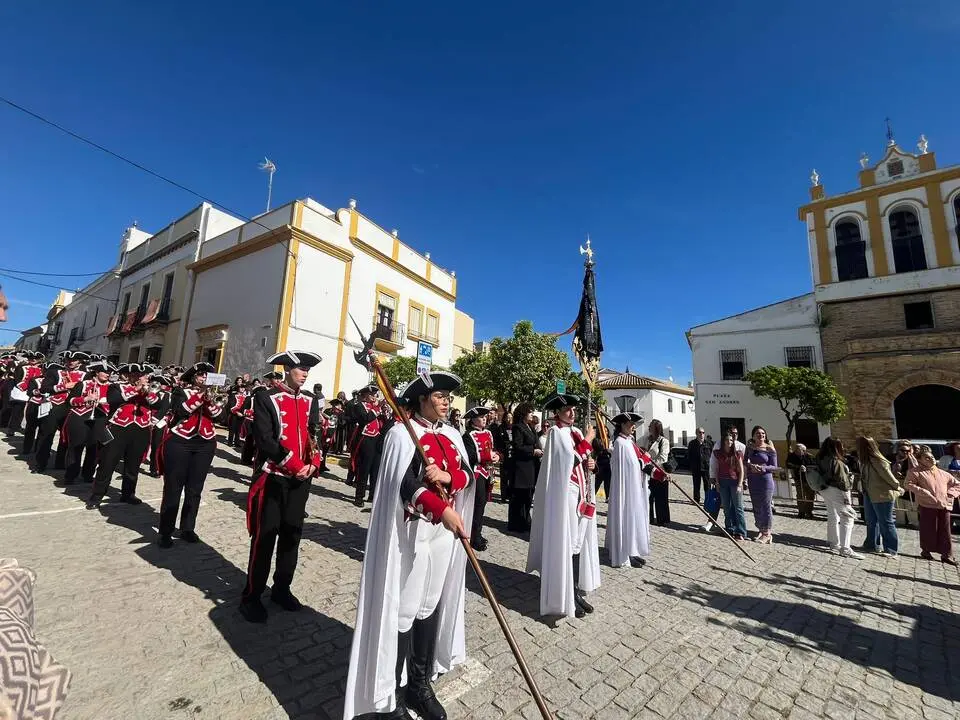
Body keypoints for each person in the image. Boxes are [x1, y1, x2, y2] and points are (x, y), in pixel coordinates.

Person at [343, 370, 473, 720]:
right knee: (404, 607)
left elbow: (468, 473)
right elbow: (404, 484)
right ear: (421, 399)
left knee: (429, 605)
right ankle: (393, 693)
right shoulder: (402, 434)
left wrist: (449, 478)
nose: (446, 402)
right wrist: (440, 508)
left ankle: (419, 683)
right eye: (440, 396)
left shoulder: (452, 434)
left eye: (448, 397)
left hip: (443, 534)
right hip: (411, 531)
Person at [240, 351, 323, 623]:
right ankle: (251, 596)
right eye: (300, 368)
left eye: (308, 369)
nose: (305, 373)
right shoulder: (265, 397)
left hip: (301, 479)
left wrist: (314, 461)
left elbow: (314, 433)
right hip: (274, 476)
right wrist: (294, 464)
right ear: (287, 369)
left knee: (292, 535)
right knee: (265, 537)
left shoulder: (310, 400)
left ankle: (282, 588)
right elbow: (264, 439)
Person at [526, 393, 600, 620]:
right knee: (567, 541)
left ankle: (575, 590)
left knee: (578, 542)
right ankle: (565, 593)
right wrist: (587, 441)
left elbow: (583, 459)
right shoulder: (556, 433)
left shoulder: (576, 432)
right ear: (557, 412)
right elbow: (567, 461)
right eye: (567, 409)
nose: (572, 412)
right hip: (566, 493)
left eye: (574, 409)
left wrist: (592, 464)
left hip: (582, 492)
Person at [156, 362, 226, 547]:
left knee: (195, 489)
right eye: (201, 375)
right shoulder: (181, 392)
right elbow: (180, 411)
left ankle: (188, 528)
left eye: (207, 375)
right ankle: (165, 531)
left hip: (205, 443)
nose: (204, 378)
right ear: (194, 377)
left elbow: (220, 417)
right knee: (173, 488)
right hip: (180, 441)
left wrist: (210, 400)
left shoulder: (212, 395)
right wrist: (200, 396)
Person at [87, 364, 159, 509]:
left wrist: (149, 393)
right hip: (119, 429)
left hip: (141, 429)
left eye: (145, 375)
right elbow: (113, 400)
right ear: (132, 377)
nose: (145, 378)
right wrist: (136, 390)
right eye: (142, 375)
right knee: (108, 462)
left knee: (133, 464)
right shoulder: (116, 387)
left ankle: (128, 493)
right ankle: (97, 495)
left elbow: (158, 405)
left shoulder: (149, 390)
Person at [607, 412, 667, 568]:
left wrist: (659, 474)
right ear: (622, 425)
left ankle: (632, 550)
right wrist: (643, 460)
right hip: (626, 490)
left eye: (634, 424)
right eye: (629, 424)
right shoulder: (620, 443)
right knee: (627, 519)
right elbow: (625, 468)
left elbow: (637, 464)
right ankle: (625, 552)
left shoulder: (630, 442)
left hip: (635, 488)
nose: (633, 427)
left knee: (633, 520)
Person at [34, 351, 88, 473]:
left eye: (74, 360)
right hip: (55, 406)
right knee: (46, 435)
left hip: (72, 408)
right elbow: (44, 388)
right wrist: (64, 387)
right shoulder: (55, 372)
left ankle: (60, 462)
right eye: (68, 359)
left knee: (66, 437)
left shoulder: (85, 375)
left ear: (79, 361)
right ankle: (40, 463)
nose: (70, 362)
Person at [905, 446, 960, 565]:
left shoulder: (943, 473)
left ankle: (947, 554)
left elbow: (957, 485)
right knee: (928, 529)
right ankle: (926, 550)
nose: (931, 459)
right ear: (920, 460)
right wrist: (922, 492)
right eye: (927, 458)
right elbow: (908, 484)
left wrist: (950, 494)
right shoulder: (915, 472)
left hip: (943, 505)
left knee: (945, 530)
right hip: (927, 505)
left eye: (932, 457)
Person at [62, 360, 113, 484]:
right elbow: (69, 401)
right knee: (76, 447)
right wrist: (85, 398)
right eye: (104, 372)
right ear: (96, 372)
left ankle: (88, 474)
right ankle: (71, 475)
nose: (108, 374)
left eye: (109, 372)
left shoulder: (112, 387)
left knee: (93, 449)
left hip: (100, 419)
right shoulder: (83, 384)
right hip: (80, 417)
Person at [856, 436, 903, 557]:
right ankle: (871, 544)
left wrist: (898, 487)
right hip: (869, 494)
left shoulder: (878, 460)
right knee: (871, 521)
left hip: (882, 494)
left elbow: (888, 477)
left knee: (886, 522)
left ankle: (891, 549)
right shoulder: (864, 461)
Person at [816, 437, 862, 559]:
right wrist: (847, 497)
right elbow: (843, 482)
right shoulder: (836, 462)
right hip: (837, 490)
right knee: (847, 518)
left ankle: (833, 542)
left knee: (832, 515)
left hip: (825, 489)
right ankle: (845, 548)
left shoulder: (820, 458)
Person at [462, 406, 499, 552]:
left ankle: (477, 532)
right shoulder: (468, 435)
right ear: (473, 420)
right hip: (476, 473)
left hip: (487, 471)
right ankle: (474, 536)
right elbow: (470, 455)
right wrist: (489, 456)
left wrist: (495, 455)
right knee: (477, 504)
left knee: (482, 504)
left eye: (485, 417)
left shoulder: (488, 433)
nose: (485, 419)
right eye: (481, 417)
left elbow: (491, 449)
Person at [509, 403, 540, 533]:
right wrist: (533, 451)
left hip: (531, 466)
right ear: (523, 413)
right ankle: (516, 523)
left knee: (528, 496)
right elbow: (518, 447)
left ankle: (526, 519)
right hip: (521, 468)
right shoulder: (518, 427)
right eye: (530, 412)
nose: (532, 415)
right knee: (519, 497)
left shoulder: (530, 427)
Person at [744, 426, 778, 544]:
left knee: (766, 506)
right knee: (756, 505)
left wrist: (762, 468)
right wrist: (750, 466)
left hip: (765, 480)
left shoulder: (770, 449)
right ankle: (760, 529)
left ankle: (767, 533)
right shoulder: (750, 448)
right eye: (758, 433)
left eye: (763, 433)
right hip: (753, 480)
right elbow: (744, 461)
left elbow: (774, 467)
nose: (761, 435)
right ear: (753, 435)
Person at [350, 385, 383, 507]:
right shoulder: (359, 406)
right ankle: (359, 497)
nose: (374, 397)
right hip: (366, 439)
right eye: (372, 395)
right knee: (364, 469)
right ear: (365, 395)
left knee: (375, 469)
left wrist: (383, 409)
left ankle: (372, 495)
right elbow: (366, 419)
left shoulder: (374, 407)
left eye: (375, 394)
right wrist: (377, 408)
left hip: (377, 438)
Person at [713, 433, 747, 540]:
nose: (729, 442)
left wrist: (740, 484)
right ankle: (729, 529)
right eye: (727, 440)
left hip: (734, 482)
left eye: (731, 440)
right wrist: (717, 483)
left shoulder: (737, 454)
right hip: (723, 482)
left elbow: (741, 470)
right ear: (723, 442)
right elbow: (717, 469)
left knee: (738, 507)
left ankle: (740, 531)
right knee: (726, 508)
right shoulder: (719, 454)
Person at [5, 351, 44, 437]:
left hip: (35, 392)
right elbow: (17, 379)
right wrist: (24, 388)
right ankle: (12, 428)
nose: (33, 360)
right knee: (17, 410)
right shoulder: (21, 367)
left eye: (36, 358)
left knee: (30, 411)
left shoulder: (41, 369)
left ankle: (24, 426)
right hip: (22, 391)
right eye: (31, 358)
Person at [644, 419, 671, 526]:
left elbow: (663, 457)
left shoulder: (663, 441)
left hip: (660, 472)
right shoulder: (647, 440)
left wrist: (651, 463)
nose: (648, 427)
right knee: (648, 496)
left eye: (650, 426)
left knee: (661, 498)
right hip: (648, 473)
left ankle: (662, 519)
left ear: (656, 428)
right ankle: (648, 517)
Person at [786, 443, 816, 519]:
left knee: (810, 496)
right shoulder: (792, 456)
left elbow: (814, 465)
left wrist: (807, 467)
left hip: (809, 479)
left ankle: (809, 512)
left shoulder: (809, 456)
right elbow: (788, 464)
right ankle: (801, 512)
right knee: (800, 495)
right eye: (795, 449)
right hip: (799, 479)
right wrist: (798, 467)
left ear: (803, 450)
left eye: (798, 449)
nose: (795, 450)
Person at [687, 427, 709, 504]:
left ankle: (707, 500)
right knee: (696, 485)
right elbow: (689, 456)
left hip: (706, 468)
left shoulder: (708, 443)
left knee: (707, 485)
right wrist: (691, 466)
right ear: (696, 433)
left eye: (703, 432)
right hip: (696, 468)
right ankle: (696, 500)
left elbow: (712, 456)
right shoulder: (692, 443)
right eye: (700, 432)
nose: (701, 434)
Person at [593, 426, 612, 500]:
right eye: (603, 430)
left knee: (608, 482)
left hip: (608, 464)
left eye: (606, 431)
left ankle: (608, 497)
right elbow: (595, 451)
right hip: (600, 464)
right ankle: (592, 496)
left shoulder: (609, 440)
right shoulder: (597, 440)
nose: (605, 432)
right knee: (597, 482)